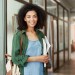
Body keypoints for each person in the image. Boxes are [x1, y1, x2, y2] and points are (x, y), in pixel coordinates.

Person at [12, 3, 49, 75]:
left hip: (40, 71)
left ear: (38, 18)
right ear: (24, 18)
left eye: (34, 16)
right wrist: (37, 58)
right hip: (26, 72)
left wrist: (45, 58)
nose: (32, 19)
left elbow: (43, 53)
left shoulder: (41, 34)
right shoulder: (19, 35)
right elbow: (15, 58)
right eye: (28, 17)